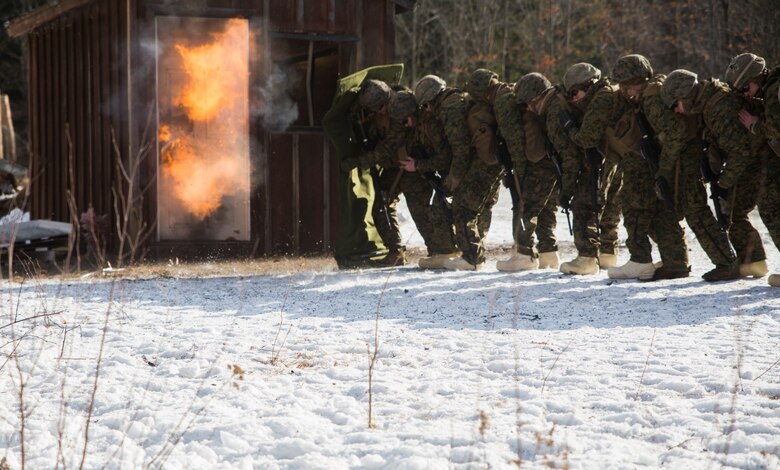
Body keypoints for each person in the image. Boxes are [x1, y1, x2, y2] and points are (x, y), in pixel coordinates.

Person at [661, 69, 768, 279]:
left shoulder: (718, 106)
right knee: (734, 211)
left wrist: (724, 183)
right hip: (753, 159)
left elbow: (740, 151)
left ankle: (752, 262)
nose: (676, 111)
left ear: (685, 94)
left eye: (676, 104)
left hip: (757, 160)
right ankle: (754, 262)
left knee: (734, 211)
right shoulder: (710, 101)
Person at [605, 54, 690, 280]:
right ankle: (675, 261)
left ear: (635, 82)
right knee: (662, 211)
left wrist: (664, 167)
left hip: (653, 165)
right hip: (659, 163)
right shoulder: (653, 92)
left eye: (625, 85)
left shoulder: (651, 99)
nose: (623, 91)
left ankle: (639, 260)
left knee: (634, 206)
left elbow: (675, 132)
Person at [557, 63, 625, 275]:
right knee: (610, 205)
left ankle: (586, 258)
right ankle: (607, 253)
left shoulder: (601, 99)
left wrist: (570, 129)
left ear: (588, 85)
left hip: (605, 159)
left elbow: (586, 139)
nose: (573, 99)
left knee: (585, 204)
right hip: (615, 157)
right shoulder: (610, 92)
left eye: (574, 93)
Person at [496, 72, 560, 271]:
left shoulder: (551, 109)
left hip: (540, 164)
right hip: (550, 164)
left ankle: (524, 255)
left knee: (527, 207)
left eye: (530, 103)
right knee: (546, 207)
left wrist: (520, 176)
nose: (529, 109)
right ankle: (549, 254)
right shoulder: (552, 107)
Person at [727, 53, 780, 286]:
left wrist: (754, 125)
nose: (745, 93)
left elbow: (776, 131)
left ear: (756, 76)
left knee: (770, 210)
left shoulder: (773, 92)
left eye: (746, 86)